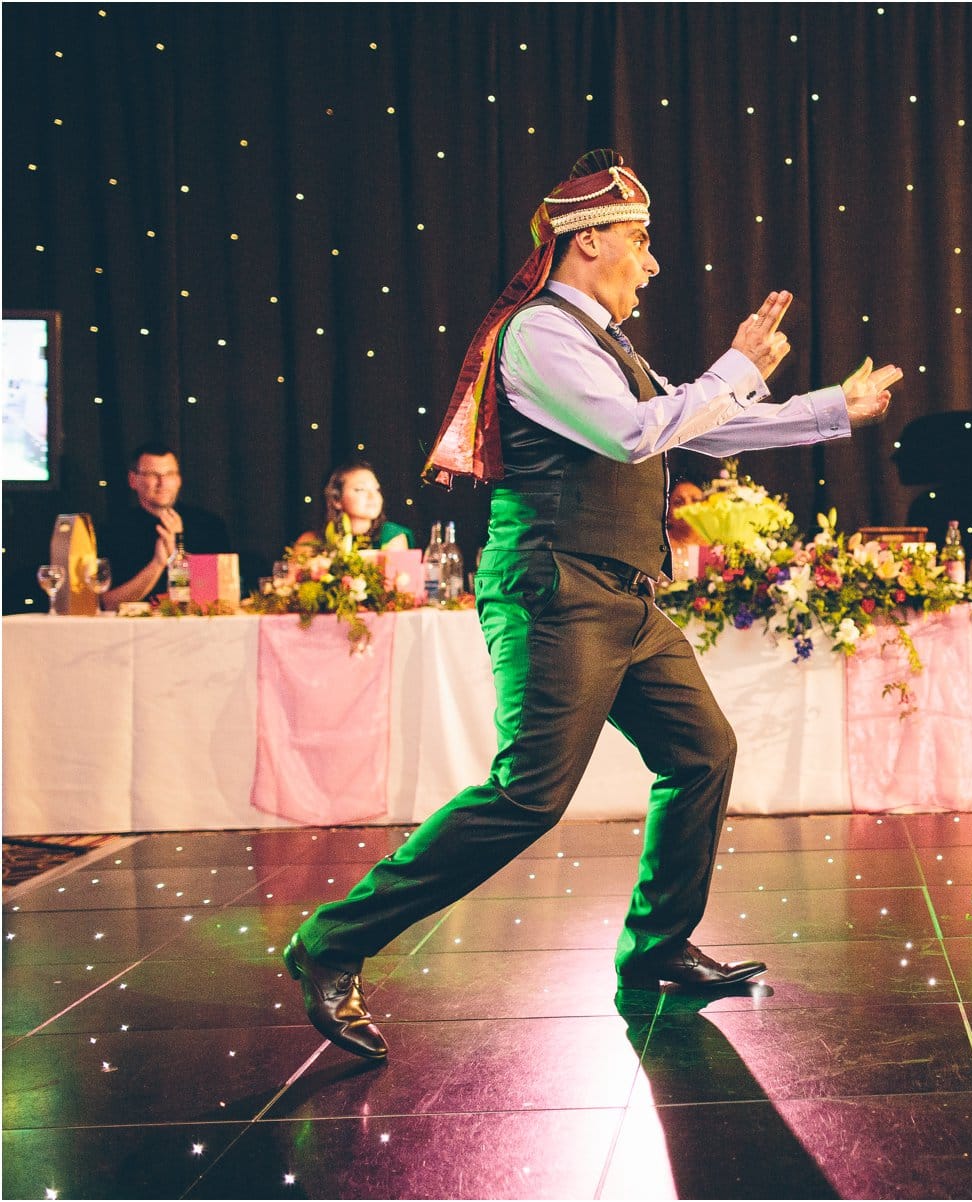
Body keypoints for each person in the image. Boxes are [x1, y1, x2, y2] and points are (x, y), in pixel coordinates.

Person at [282, 148, 902, 1060]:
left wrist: (829, 409)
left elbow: (700, 424)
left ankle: (654, 950)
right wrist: (734, 363)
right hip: (554, 589)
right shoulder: (539, 335)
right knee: (529, 795)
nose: (652, 263)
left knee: (702, 753)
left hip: (621, 595)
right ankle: (331, 944)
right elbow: (632, 432)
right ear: (586, 243)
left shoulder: (605, 344)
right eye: (640, 242)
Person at [99, 442, 232, 609]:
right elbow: (107, 603)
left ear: (178, 480)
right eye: (153, 475)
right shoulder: (113, 530)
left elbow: (221, 597)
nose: (162, 483)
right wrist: (158, 563)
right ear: (133, 480)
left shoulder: (209, 526)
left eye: (169, 474)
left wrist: (178, 554)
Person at [295, 462, 414, 551]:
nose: (373, 496)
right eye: (360, 489)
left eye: (377, 489)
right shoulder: (311, 540)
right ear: (337, 499)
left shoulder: (391, 535)